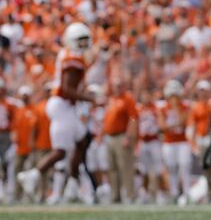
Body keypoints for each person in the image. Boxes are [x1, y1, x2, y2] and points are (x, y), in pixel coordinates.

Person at [18, 23, 95, 202]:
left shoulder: (68, 54)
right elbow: (68, 89)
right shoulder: (73, 57)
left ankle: (72, 185)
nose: (83, 44)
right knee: (61, 151)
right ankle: (32, 176)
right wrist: (90, 98)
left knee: (82, 140)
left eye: (85, 40)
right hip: (63, 104)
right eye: (79, 40)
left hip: (64, 105)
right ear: (70, 40)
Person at [101, 80, 138, 204]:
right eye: (115, 85)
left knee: (126, 166)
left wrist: (129, 136)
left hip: (121, 136)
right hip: (110, 136)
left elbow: (133, 118)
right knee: (112, 167)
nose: (117, 88)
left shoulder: (127, 99)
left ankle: (130, 194)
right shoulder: (111, 99)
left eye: (119, 85)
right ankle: (115, 195)